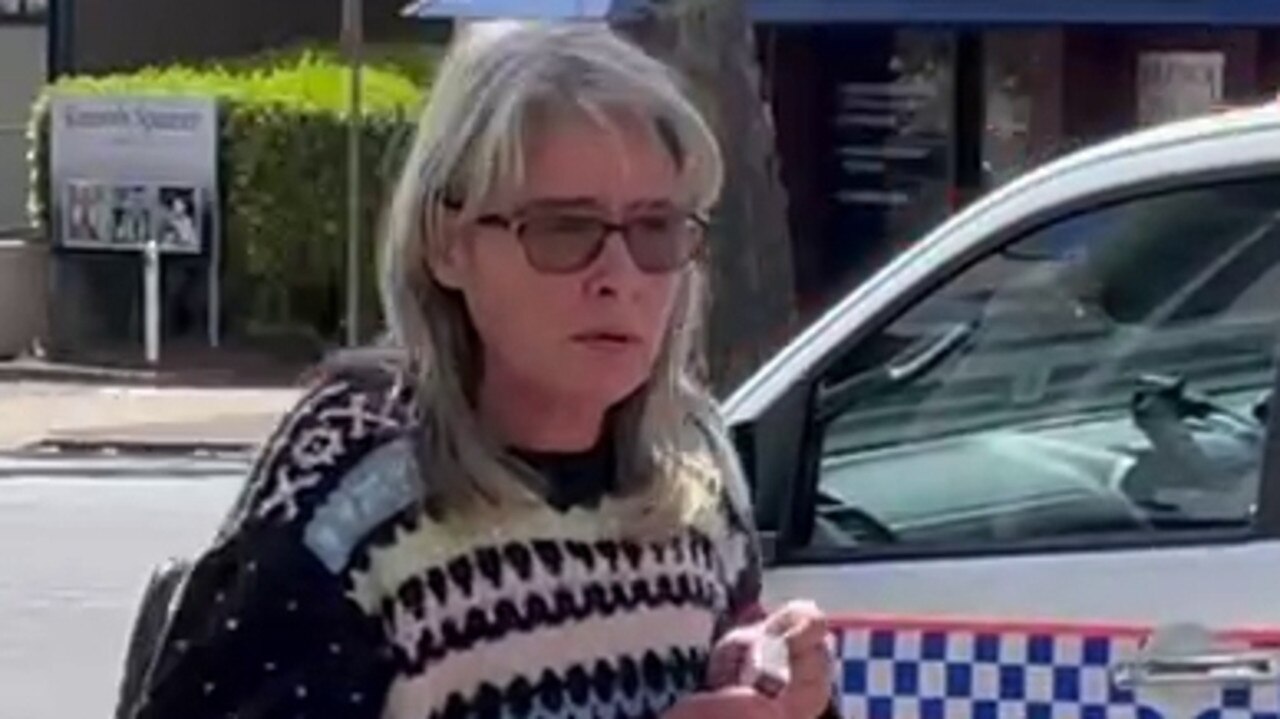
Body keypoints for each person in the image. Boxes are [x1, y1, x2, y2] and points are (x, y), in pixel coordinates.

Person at [127, 21, 835, 719]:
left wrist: (763, 673)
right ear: (447, 244)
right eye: (564, 229)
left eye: (656, 228)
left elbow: (712, 647)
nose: (619, 276)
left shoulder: (694, 459)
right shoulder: (350, 487)